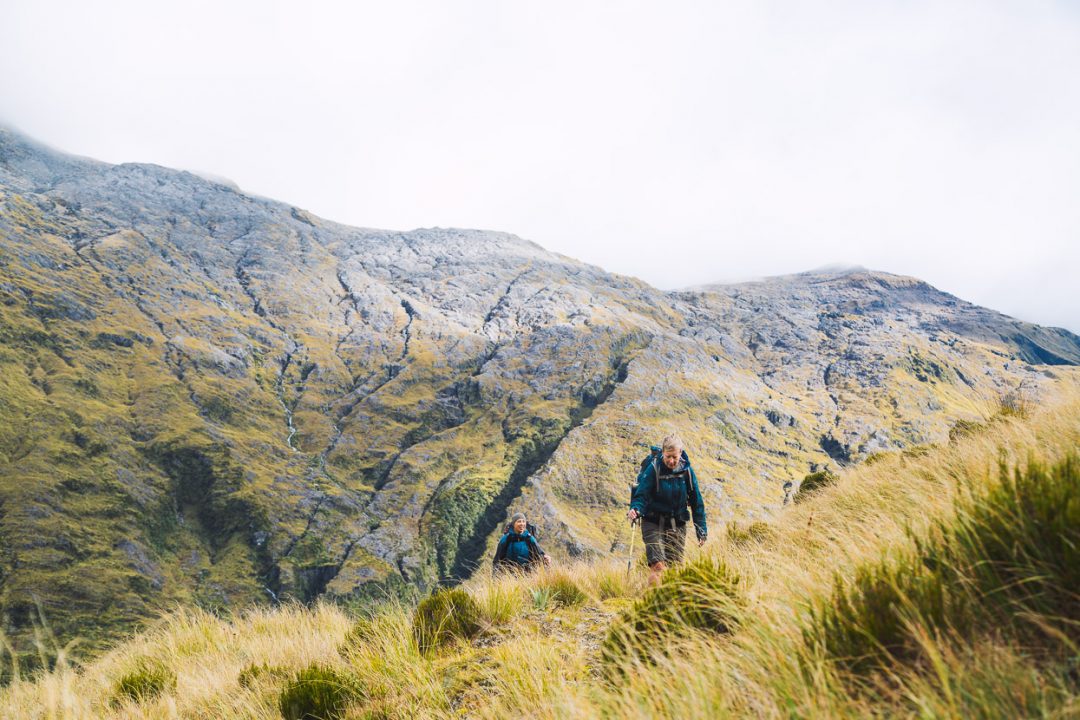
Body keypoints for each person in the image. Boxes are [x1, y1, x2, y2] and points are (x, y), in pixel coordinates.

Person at [626, 434, 707, 585]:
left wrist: (701, 529)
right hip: (652, 522)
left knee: (674, 569)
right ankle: (654, 603)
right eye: (668, 456)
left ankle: (670, 602)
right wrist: (635, 509)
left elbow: (697, 502)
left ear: (680, 453)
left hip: (677, 523)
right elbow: (641, 495)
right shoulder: (653, 469)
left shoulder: (687, 472)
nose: (671, 461)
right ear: (663, 452)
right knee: (658, 566)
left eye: (674, 457)